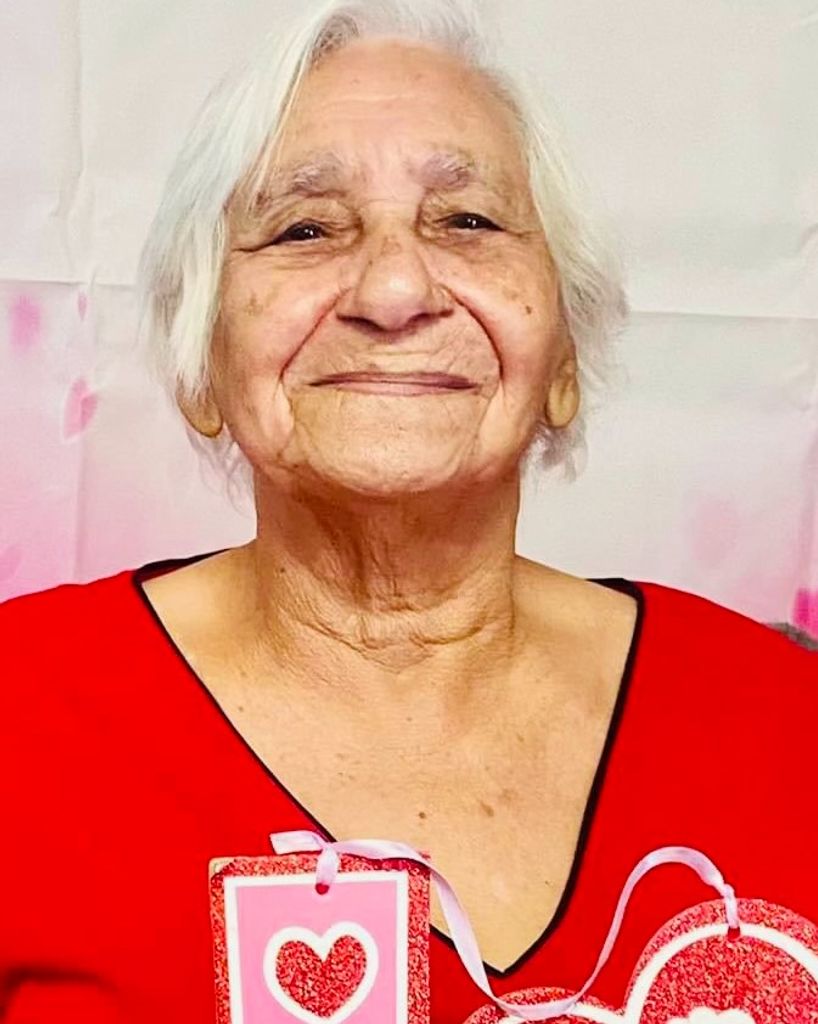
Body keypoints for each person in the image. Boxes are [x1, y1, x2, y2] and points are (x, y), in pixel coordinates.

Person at [1, 1, 815, 1021]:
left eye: (466, 222)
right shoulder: (20, 712)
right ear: (202, 365)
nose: (393, 290)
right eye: (304, 228)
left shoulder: (787, 716)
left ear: (564, 360)